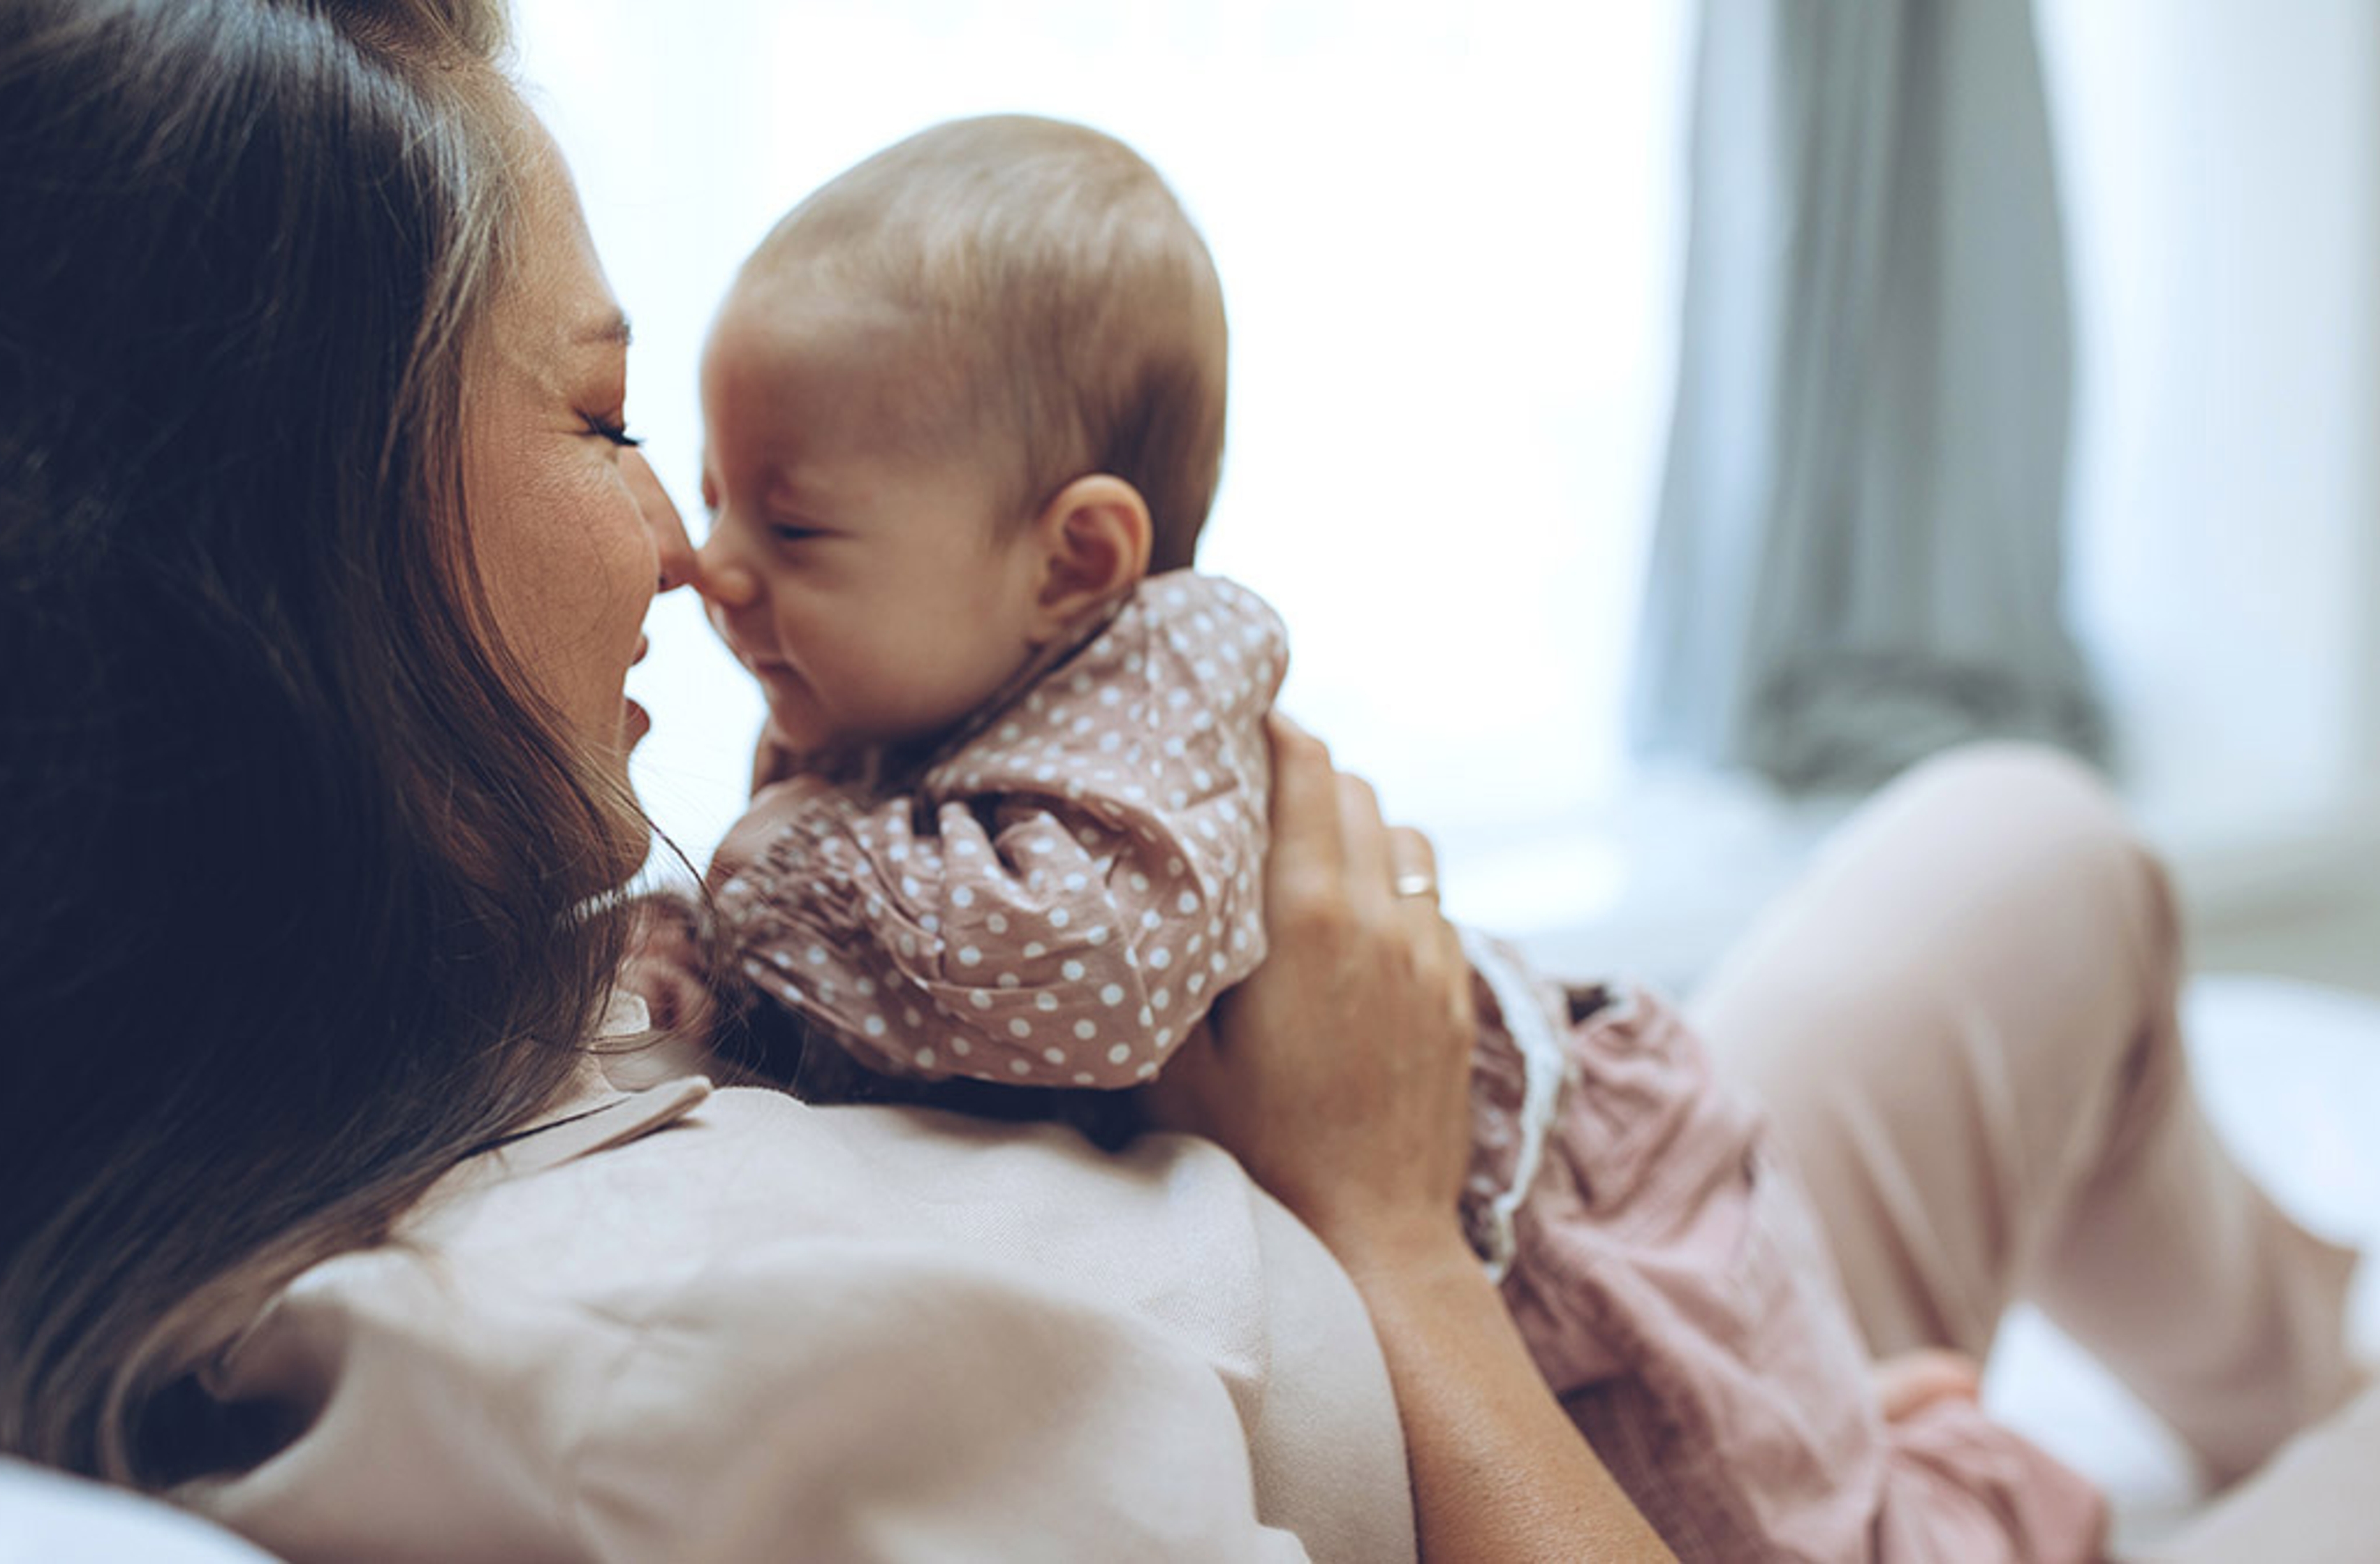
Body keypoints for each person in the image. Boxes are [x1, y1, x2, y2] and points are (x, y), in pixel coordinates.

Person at [0, 2, 2380, 1561]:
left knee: (2025, 840)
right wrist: (1387, 1220)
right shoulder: (672, 1414)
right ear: (254, 581)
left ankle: (2267, 1366)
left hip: (1563, 1245)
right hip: (1563, 1410)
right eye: (602, 420)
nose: (688, 556)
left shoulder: (328, 995)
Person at [670, 112, 2109, 1557]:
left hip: (1565, 1231)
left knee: (1796, 1526)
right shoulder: (884, 703)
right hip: (1479, 1232)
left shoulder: (1164, 664)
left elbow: (1080, 976)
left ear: (1075, 561)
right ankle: (1867, 1420)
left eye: (791, 529)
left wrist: (749, 883)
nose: (708, 562)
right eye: (715, 486)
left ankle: (1986, 1494)